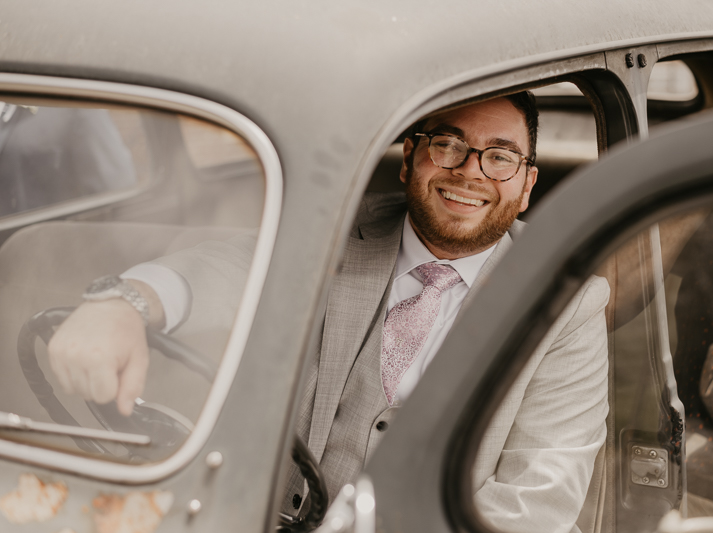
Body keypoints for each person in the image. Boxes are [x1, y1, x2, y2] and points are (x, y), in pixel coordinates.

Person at [48, 94, 609, 533]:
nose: (470, 171)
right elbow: (230, 267)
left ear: (527, 184)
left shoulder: (566, 301)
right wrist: (125, 302)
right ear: (410, 156)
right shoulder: (336, 234)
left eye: (501, 157)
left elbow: (537, 500)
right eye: (447, 144)